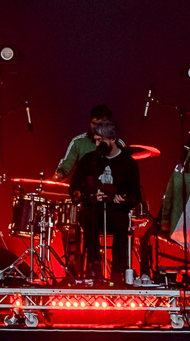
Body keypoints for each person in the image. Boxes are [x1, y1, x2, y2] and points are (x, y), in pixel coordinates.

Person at [68, 118, 141, 283]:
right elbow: (73, 188)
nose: (97, 144)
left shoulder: (128, 163)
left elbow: (136, 195)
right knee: (87, 215)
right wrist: (89, 195)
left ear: (113, 139)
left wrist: (124, 200)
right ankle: (95, 266)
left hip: (116, 211)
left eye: (101, 141)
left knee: (122, 221)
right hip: (94, 209)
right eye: (96, 141)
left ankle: (117, 270)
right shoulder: (89, 160)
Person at [54, 104, 123, 180]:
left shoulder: (119, 144)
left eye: (100, 124)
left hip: (111, 189)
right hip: (85, 189)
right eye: (94, 123)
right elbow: (67, 163)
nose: (96, 128)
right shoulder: (78, 142)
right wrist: (61, 173)